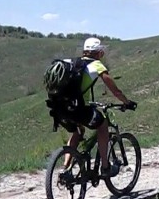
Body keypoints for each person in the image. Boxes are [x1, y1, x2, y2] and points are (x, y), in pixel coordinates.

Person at [53, 37, 137, 178]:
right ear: (99, 53)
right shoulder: (97, 65)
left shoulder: (70, 62)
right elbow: (115, 91)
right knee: (102, 125)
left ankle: (65, 169)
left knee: (78, 131)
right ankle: (105, 167)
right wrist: (126, 102)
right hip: (79, 109)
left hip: (61, 108)